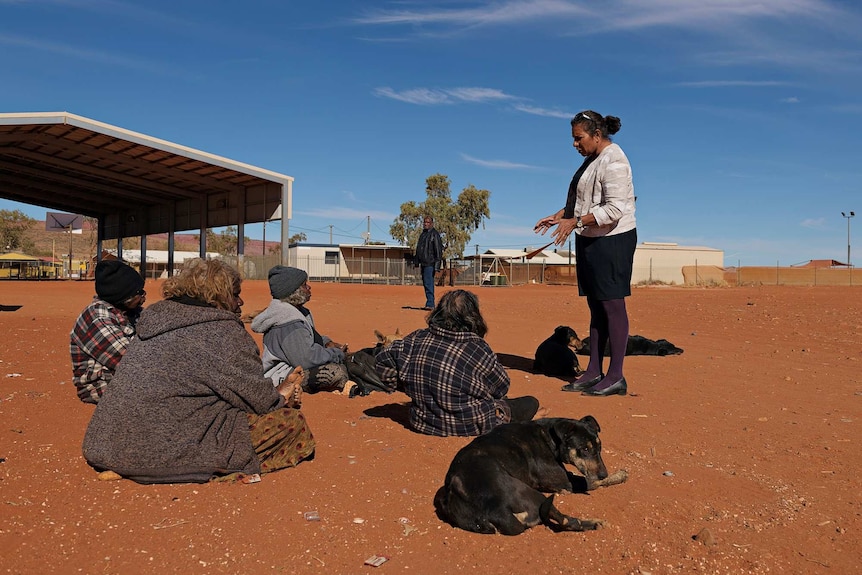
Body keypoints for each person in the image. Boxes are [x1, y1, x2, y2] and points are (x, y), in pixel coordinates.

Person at [82, 258, 314, 484]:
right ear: (218, 297)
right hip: (155, 454)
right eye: (235, 295)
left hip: (105, 444)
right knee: (292, 424)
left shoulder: (153, 320)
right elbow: (261, 402)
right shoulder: (224, 332)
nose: (240, 302)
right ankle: (219, 471)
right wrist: (282, 395)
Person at [534, 110, 637, 397]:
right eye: (573, 139)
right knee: (596, 306)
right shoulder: (592, 161)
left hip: (612, 240)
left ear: (596, 135)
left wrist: (575, 222)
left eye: (579, 138)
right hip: (591, 239)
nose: (575, 144)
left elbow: (615, 209)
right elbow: (584, 202)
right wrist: (559, 216)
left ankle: (616, 375)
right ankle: (594, 370)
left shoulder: (614, 159)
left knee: (612, 306)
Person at [376, 289, 543, 437]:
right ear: (473, 317)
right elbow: (501, 387)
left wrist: (409, 385)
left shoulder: (415, 338)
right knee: (530, 402)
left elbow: (383, 363)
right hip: (471, 425)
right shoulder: (477, 348)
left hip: (422, 423)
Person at [251, 265, 357, 397]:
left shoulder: (297, 312)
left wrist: (327, 343)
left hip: (294, 367)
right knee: (335, 372)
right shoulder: (288, 322)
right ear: (294, 292)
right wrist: (336, 354)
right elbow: (307, 359)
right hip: (282, 378)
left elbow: (308, 339)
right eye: (304, 285)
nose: (309, 288)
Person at [69, 259, 146, 404]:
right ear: (124, 297)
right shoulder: (96, 318)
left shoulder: (128, 311)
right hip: (101, 387)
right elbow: (131, 360)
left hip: (126, 378)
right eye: (139, 292)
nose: (144, 297)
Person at [415, 215, 444, 310]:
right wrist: (416, 261)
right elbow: (419, 248)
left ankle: (430, 303)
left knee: (429, 283)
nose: (426, 224)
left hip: (430, 263)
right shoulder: (423, 234)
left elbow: (438, 251)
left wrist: (437, 266)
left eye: (428, 222)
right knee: (425, 283)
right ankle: (429, 302)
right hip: (423, 263)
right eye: (425, 222)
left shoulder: (435, 234)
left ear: (432, 223)